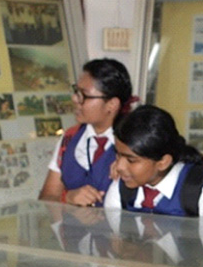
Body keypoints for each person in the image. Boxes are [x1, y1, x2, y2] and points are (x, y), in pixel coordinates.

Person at [104, 105, 203, 220]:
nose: (119, 166)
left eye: (131, 160)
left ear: (163, 162)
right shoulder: (121, 188)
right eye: (118, 155)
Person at [38, 58, 136, 207]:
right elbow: (46, 197)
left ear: (112, 104)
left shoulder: (135, 143)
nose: (74, 99)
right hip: (70, 223)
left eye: (83, 95)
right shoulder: (70, 138)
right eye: (76, 91)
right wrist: (67, 198)